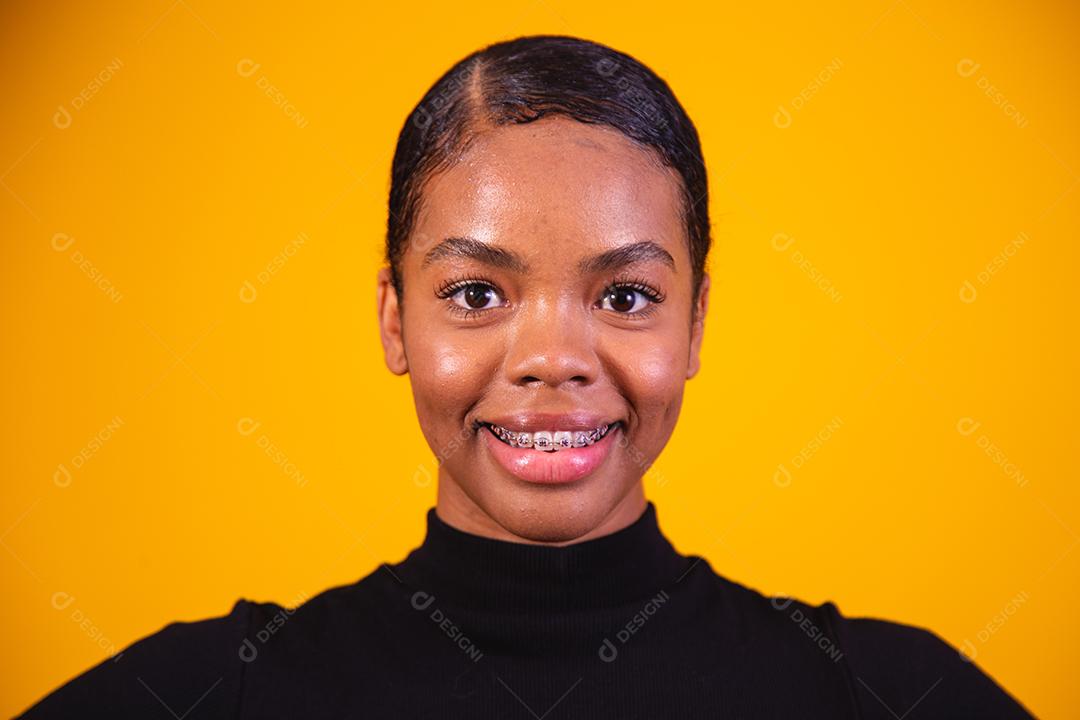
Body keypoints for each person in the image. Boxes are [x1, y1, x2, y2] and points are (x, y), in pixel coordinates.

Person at [17, 34, 1035, 719]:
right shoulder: (210, 693)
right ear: (394, 319)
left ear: (695, 326)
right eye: (476, 293)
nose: (552, 359)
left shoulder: (890, 694)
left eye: (625, 295)